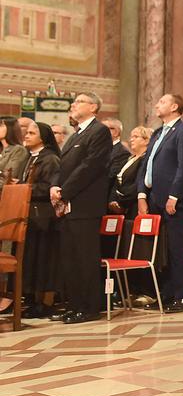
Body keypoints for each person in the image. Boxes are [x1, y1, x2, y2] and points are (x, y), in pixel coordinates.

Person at [50, 92, 113, 324]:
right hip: (69, 204)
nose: (73, 105)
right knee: (70, 258)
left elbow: (90, 167)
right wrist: (55, 187)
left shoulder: (99, 132)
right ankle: (74, 304)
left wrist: (64, 192)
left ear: (93, 107)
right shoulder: (76, 134)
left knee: (85, 258)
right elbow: (63, 164)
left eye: (79, 102)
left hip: (85, 205)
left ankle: (89, 307)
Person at [137, 93, 183, 313]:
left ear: (174, 107)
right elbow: (146, 165)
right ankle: (165, 294)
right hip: (154, 198)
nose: (156, 104)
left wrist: (174, 195)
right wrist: (142, 195)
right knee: (161, 250)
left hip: (174, 201)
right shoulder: (157, 133)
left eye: (162, 101)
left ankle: (181, 296)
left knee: (177, 249)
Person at [19, 121, 60, 319]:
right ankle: (33, 300)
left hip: (44, 217)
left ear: (42, 137)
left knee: (44, 260)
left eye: (31, 133)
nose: (26, 135)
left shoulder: (50, 158)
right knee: (32, 260)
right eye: (26, 132)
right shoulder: (29, 158)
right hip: (30, 216)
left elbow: (48, 187)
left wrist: (24, 188)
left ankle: (45, 302)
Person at [110, 127, 152, 221]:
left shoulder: (146, 160)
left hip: (133, 204)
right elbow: (116, 181)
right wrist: (113, 200)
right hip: (120, 205)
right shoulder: (129, 159)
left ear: (146, 140)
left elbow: (137, 184)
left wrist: (121, 201)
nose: (131, 139)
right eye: (131, 136)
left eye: (136, 136)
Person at [0, 117, 29, 184]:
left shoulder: (18, 150)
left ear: (10, 129)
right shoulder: (1, 149)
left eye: (1, 125)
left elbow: (9, 176)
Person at [103, 118, 131, 187]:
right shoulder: (100, 149)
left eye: (103, 129)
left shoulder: (122, 152)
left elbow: (111, 176)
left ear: (115, 132)